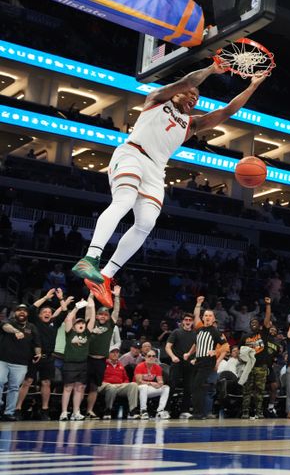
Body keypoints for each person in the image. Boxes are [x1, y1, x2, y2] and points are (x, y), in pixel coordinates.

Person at [71, 61, 269, 306]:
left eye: (197, 98)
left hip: (155, 169)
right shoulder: (157, 99)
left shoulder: (192, 124)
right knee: (124, 201)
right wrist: (210, 70)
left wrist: (252, 86)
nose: (194, 98)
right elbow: (187, 82)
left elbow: (227, 111)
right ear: (178, 91)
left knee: (146, 223)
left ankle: (105, 275)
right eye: (191, 94)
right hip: (133, 154)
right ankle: (91, 257)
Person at [16, 289, 71, 420]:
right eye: (44, 312)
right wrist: (46, 297)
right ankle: (17, 408)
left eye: (49, 312)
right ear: (40, 315)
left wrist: (61, 298)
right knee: (27, 381)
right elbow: (32, 307)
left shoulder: (54, 323)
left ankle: (44, 409)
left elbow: (64, 312)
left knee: (46, 383)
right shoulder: (35, 322)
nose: (47, 313)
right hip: (33, 357)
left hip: (49, 358)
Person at [186, 297, 229, 419]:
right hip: (199, 360)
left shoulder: (215, 331)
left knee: (197, 385)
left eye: (210, 315)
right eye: (206, 315)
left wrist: (215, 351)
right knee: (195, 386)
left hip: (208, 361)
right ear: (203, 317)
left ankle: (198, 413)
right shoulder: (199, 329)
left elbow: (225, 346)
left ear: (213, 318)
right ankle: (199, 412)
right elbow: (197, 344)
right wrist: (198, 303)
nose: (208, 317)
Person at [0, 304, 42, 421]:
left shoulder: (32, 327)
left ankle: (9, 412)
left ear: (27, 314)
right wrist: (16, 331)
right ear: (15, 313)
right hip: (2, 360)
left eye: (24, 311)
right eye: (19, 311)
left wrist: (38, 353)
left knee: (14, 387)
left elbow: (37, 343)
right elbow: (4, 327)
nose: (21, 313)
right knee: (0, 381)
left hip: (21, 363)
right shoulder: (9, 322)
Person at [85, 284, 121, 419]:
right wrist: (91, 294)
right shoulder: (91, 322)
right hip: (87, 358)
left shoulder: (110, 325)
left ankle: (89, 411)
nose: (103, 316)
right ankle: (77, 411)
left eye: (105, 314)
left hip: (100, 360)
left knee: (94, 387)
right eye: (100, 314)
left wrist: (116, 296)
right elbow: (89, 308)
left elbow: (116, 311)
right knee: (81, 386)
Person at [241, 297, 280, 419]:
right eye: (251, 323)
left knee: (259, 391)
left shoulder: (263, 334)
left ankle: (259, 412)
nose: (253, 324)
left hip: (261, 367)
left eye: (255, 323)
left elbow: (267, 320)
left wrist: (268, 305)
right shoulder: (245, 337)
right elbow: (239, 352)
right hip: (248, 367)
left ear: (259, 326)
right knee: (247, 391)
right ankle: (245, 412)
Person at [60, 296, 96, 421]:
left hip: (82, 364)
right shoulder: (70, 332)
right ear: (74, 326)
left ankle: (76, 412)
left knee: (80, 388)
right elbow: (69, 318)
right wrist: (76, 307)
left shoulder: (87, 333)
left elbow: (92, 320)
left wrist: (91, 305)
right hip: (70, 363)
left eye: (82, 323)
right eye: (78, 323)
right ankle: (64, 413)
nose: (81, 324)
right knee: (68, 387)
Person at [165, 312, 197, 418]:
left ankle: (185, 411)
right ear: (183, 321)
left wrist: (195, 359)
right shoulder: (176, 332)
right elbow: (168, 347)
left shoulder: (195, 334)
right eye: (186, 320)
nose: (188, 322)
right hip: (177, 363)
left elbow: (199, 349)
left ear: (192, 322)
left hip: (190, 364)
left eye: (190, 320)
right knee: (172, 386)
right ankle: (166, 409)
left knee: (189, 388)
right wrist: (173, 357)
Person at [96, 346, 139, 419]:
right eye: (112, 352)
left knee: (133, 385)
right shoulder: (102, 364)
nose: (115, 354)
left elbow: (126, 379)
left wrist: (124, 383)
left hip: (119, 386)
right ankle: (108, 410)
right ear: (108, 354)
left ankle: (132, 411)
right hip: (105, 385)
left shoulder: (120, 365)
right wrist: (107, 383)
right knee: (111, 387)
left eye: (117, 352)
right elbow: (98, 378)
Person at [134, 349, 171, 419]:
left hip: (148, 389)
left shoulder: (157, 367)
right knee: (144, 386)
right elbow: (139, 381)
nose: (151, 357)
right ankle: (143, 410)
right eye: (149, 356)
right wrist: (151, 383)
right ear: (145, 357)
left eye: (153, 356)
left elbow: (160, 381)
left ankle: (160, 411)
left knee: (166, 388)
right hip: (138, 389)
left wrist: (160, 384)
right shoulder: (140, 366)